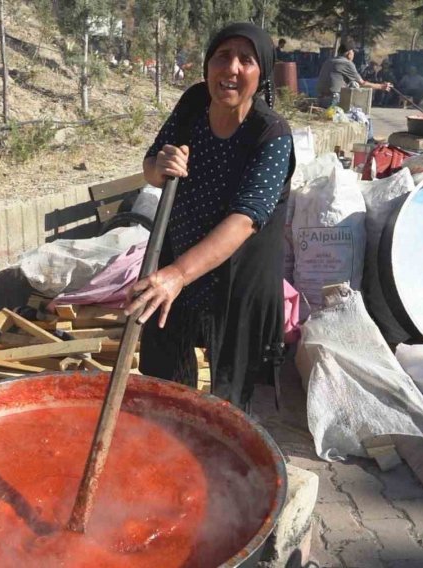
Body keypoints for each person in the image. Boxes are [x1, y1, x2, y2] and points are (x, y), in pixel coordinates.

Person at [129, 22, 295, 410]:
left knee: (231, 401)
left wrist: (177, 275)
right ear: (207, 65)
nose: (231, 68)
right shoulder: (192, 104)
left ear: (261, 73)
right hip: (182, 260)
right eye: (222, 56)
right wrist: (160, 165)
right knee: (166, 380)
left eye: (246, 60)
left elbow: (244, 220)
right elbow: (151, 168)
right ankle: (168, 446)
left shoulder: (270, 134)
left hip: (238, 280)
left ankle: (224, 465)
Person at [315, 41, 392, 108]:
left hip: (320, 98)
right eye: (353, 52)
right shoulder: (347, 63)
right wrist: (381, 86)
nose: (354, 54)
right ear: (349, 53)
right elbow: (362, 83)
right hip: (333, 99)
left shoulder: (329, 61)